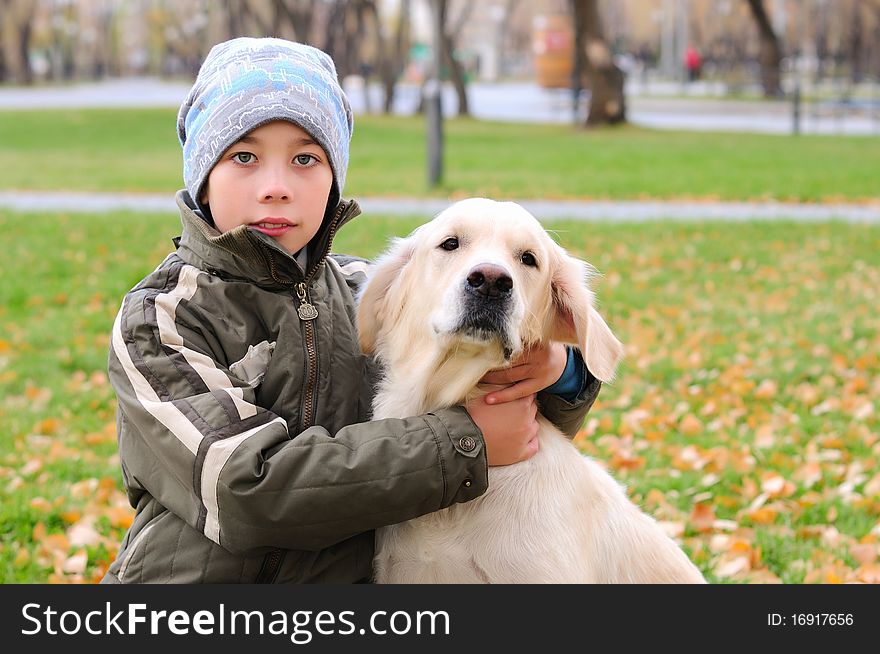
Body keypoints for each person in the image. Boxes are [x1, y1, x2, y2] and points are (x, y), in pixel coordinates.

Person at [101, 37, 603, 584]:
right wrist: (466, 446)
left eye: (305, 159)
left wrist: (558, 370)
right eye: (243, 156)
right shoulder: (160, 320)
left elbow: (513, 411)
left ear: (334, 178)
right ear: (201, 172)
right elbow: (246, 489)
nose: (276, 188)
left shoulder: (368, 289)